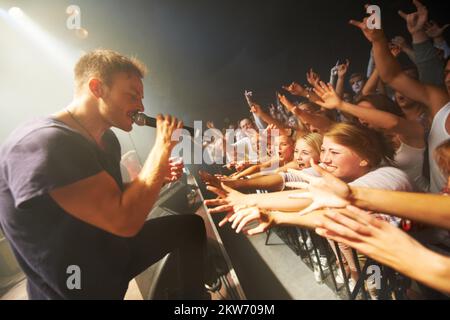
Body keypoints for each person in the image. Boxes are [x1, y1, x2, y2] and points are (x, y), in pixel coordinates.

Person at [0, 49, 207, 300]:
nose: (140, 106)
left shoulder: (107, 140)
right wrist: (162, 147)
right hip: (77, 285)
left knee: (190, 228)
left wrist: (158, 177)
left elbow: (112, 196)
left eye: (141, 98)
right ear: (97, 88)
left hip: (109, 252)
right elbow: (124, 220)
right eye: (132, 95)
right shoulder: (44, 143)